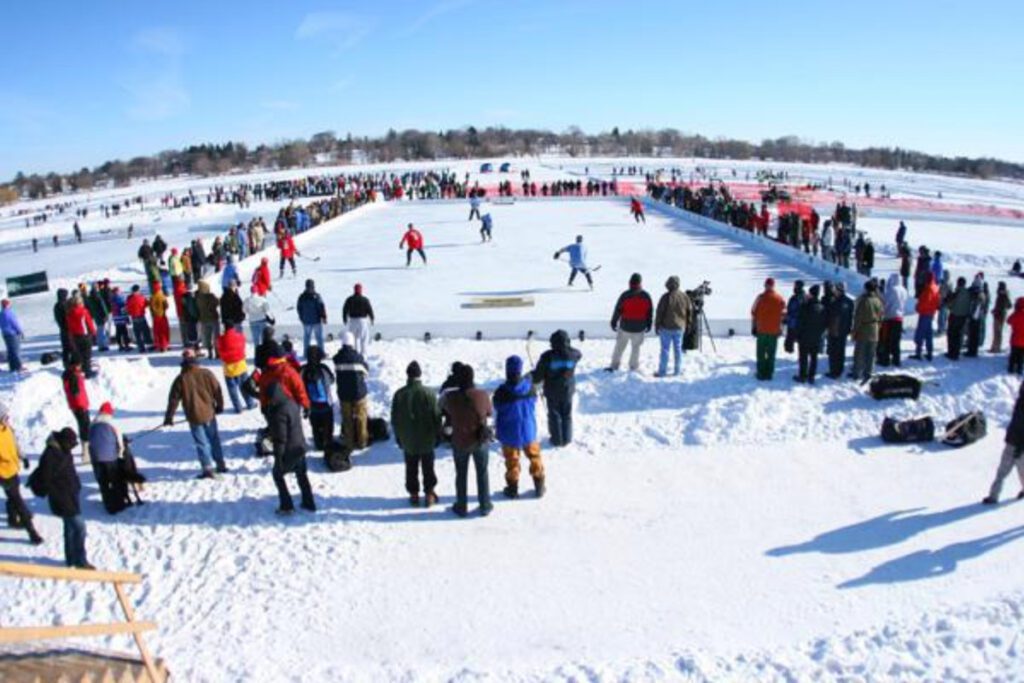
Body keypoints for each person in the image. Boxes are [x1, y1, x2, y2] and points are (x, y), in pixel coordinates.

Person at [164, 349, 227, 479]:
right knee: (214, 439)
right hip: (209, 413)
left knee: (201, 443)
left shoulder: (181, 379)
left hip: (194, 417)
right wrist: (220, 406)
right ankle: (220, 464)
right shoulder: (207, 374)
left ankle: (207, 469)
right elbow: (217, 391)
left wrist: (169, 417)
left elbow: (173, 400)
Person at [440, 363, 493, 517]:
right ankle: (485, 505)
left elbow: (443, 410)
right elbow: (489, 412)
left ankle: (461, 506)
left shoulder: (450, 397)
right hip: (479, 440)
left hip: (460, 440)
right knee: (482, 473)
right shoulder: (482, 394)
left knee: (461, 474)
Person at [36, 427, 92, 568]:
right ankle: (81, 561)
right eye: (71, 444)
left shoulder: (63, 449)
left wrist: (76, 485)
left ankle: (71, 560)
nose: (72, 448)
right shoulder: (50, 455)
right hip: (62, 498)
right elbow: (45, 478)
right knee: (80, 528)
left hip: (71, 494)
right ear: (64, 441)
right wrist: (57, 493)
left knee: (69, 529)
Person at [391, 361, 441, 507]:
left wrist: (399, 437)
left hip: (408, 440)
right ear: (420, 374)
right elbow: (436, 416)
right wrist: (438, 434)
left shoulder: (399, 394)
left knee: (411, 467)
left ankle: (414, 494)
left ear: (407, 375)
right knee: (428, 466)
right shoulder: (429, 393)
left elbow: (395, 419)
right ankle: (429, 493)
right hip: (427, 438)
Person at [494, 355, 545, 499]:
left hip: (509, 432)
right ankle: (539, 485)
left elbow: (497, 406)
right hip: (528, 430)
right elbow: (535, 400)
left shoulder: (502, 391)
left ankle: (512, 488)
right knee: (535, 456)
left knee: (512, 461)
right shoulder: (530, 387)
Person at [265, 382, 316, 515]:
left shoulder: (279, 412)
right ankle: (309, 502)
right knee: (301, 475)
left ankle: (286, 505)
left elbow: (281, 438)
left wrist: (278, 456)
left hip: (289, 450)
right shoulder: (292, 403)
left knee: (277, 475)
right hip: (300, 446)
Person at [0, 401, 43, 544]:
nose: (8, 418)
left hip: (13, 468)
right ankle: (32, 532)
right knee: (18, 501)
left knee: (13, 495)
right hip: (3, 474)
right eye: (5, 416)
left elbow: (15, 444)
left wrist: (23, 457)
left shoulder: (8, 429)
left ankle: (12, 519)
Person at [981, 382, 1024, 505]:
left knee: (1005, 471)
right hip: (1012, 440)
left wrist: (1020, 446)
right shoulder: (1020, 402)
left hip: (1017, 443)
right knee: (1005, 471)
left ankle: (993, 496)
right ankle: (993, 496)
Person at [87, 402, 130, 514]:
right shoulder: (111, 423)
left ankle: (108, 505)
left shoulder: (92, 424)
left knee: (103, 482)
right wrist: (120, 454)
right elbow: (120, 442)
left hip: (96, 458)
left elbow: (90, 441)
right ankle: (119, 504)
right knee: (115, 480)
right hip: (110, 458)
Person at [607, 273, 653, 372]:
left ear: (630, 282)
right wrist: (649, 324)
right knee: (636, 348)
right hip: (639, 328)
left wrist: (613, 322)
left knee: (619, 347)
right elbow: (649, 312)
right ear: (640, 283)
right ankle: (633, 366)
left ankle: (614, 365)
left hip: (625, 327)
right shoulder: (646, 296)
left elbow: (618, 310)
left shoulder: (625, 295)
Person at [333, 332, 369, 450]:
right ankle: (362, 441)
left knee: (347, 419)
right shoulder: (358, 358)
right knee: (361, 418)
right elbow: (366, 371)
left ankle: (349, 443)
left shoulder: (337, 359)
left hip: (344, 394)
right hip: (359, 394)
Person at [653, 276, 692, 377]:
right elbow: (689, 312)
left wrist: (657, 325)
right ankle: (677, 371)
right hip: (679, 328)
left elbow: (659, 313)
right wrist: (688, 325)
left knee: (665, 350)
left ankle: (662, 372)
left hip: (666, 328)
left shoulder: (665, 297)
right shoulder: (684, 297)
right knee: (678, 350)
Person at [300, 345, 335, 451]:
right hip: (326, 403)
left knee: (315, 426)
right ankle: (328, 441)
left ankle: (318, 443)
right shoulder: (324, 368)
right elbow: (332, 380)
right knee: (328, 425)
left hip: (311, 404)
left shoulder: (303, 370)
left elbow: (300, 385)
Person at [751, 278, 786, 381]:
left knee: (761, 352)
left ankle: (761, 373)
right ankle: (769, 373)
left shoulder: (760, 298)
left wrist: (754, 327)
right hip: (774, 331)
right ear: (773, 286)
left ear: (765, 285)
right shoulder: (780, 299)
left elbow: (753, 312)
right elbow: (783, 315)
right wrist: (781, 329)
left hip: (762, 330)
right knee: (771, 353)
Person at [216, 327, 257, 413]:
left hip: (228, 367)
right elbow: (243, 346)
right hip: (240, 365)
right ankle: (250, 403)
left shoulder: (221, 339)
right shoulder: (240, 336)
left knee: (232, 389)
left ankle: (238, 407)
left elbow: (220, 351)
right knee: (245, 386)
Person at [851, 280, 883, 382]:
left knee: (859, 352)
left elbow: (858, 317)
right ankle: (869, 372)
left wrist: (854, 331)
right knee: (871, 353)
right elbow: (881, 315)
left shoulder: (864, 300)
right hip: (874, 329)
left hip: (864, 329)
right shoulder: (878, 300)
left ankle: (857, 372)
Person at [793, 284, 827, 384]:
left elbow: (800, 322)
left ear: (811, 294)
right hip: (816, 337)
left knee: (803, 357)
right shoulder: (822, 307)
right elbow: (824, 323)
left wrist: (797, 335)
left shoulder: (805, 306)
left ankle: (802, 376)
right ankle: (811, 376)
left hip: (805, 337)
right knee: (814, 358)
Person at [62, 360, 90, 462]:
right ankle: (86, 454)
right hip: (80, 406)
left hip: (77, 405)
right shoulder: (73, 376)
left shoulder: (68, 375)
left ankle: (85, 450)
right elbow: (76, 393)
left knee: (83, 427)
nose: (80, 366)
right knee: (85, 428)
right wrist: (81, 406)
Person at [824, 282, 853, 379]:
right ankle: (839, 370)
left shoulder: (835, 302)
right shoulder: (849, 301)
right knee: (841, 351)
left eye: (835, 289)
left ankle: (834, 371)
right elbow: (850, 317)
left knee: (833, 352)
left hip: (835, 330)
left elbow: (831, 316)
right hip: (844, 330)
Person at [879, 273, 908, 367]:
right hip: (899, 317)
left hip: (890, 317)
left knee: (886, 340)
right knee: (896, 340)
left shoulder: (892, 290)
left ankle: (885, 360)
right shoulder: (903, 290)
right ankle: (896, 359)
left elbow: (885, 302)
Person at [65, 292, 97, 378]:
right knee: (87, 354)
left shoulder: (69, 313)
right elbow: (89, 323)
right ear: (79, 303)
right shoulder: (83, 311)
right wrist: (93, 332)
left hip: (75, 336)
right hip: (85, 335)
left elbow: (69, 326)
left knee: (80, 354)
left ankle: (82, 368)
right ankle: (88, 372)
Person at [912, 273, 940, 361]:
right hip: (931, 313)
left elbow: (924, 302)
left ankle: (918, 353)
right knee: (929, 334)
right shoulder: (935, 287)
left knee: (920, 334)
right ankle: (929, 353)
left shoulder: (928, 289)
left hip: (924, 313)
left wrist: (918, 307)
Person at [296, 279, 327, 358]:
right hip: (316, 320)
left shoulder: (302, 297)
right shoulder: (316, 296)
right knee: (319, 338)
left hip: (306, 321)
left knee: (307, 337)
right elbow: (321, 307)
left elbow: (299, 308)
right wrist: (324, 317)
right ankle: (321, 353)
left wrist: (301, 317)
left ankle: (306, 353)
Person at [342, 283, 375, 356]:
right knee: (364, 337)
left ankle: (354, 352)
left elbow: (345, 310)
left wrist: (344, 319)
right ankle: (363, 353)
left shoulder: (349, 299)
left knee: (353, 338)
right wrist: (372, 318)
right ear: (361, 290)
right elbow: (369, 309)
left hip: (352, 320)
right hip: (362, 321)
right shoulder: (365, 299)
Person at [945, 277, 971, 360]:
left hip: (954, 315)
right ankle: (956, 352)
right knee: (959, 335)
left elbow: (950, 304)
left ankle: (951, 353)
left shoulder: (957, 292)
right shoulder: (968, 293)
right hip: (963, 316)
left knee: (952, 334)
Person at [965, 275, 989, 358]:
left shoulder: (979, 294)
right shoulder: (981, 293)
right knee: (973, 334)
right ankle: (972, 350)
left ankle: (972, 351)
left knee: (973, 334)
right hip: (977, 316)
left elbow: (977, 305)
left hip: (975, 316)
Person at [196, 281, 220, 359]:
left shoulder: (198, 297)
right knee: (216, 336)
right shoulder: (211, 296)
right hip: (213, 318)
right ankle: (217, 352)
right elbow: (217, 302)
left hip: (203, 319)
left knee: (207, 337)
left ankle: (210, 352)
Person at [0, 299, 26, 373]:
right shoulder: (9, 313)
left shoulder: (1, 314)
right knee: (16, 350)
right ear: (7, 304)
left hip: (5, 334)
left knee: (10, 351)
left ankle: (12, 367)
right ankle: (18, 366)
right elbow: (14, 323)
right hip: (12, 334)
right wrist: (20, 332)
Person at [125, 285, 152, 354]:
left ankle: (141, 347)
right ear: (137, 290)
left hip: (134, 317)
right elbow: (146, 304)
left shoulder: (129, 298)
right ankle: (149, 345)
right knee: (146, 331)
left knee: (138, 333)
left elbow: (127, 308)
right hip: (141, 316)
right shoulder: (141, 297)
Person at [783, 281, 807, 355]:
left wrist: (786, 319)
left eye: (795, 286)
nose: (794, 287)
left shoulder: (795, 298)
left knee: (789, 344)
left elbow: (792, 310)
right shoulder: (805, 297)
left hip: (794, 324)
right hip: (802, 324)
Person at [990, 282, 1012, 354]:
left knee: (998, 332)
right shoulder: (1001, 294)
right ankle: (994, 347)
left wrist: (1001, 309)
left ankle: (997, 347)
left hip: (1000, 315)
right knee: (996, 331)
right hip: (998, 314)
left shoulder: (1004, 295)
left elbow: (1009, 305)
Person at [150, 283, 171, 352]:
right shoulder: (161, 296)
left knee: (157, 332)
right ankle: (165, 346)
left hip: (155, 317)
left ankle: (158, 345)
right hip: (162, 316)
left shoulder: (152, 296)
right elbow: (166, 305)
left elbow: (151, 307)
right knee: (164, 331)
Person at [1007, 298, 1024, 375]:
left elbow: (1008, 321)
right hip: (1023, 341)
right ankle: (1019, 369)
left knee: (1013, 355)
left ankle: (1011, 368)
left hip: (1015, 339)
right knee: (1021, 356)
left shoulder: (1016, 314)